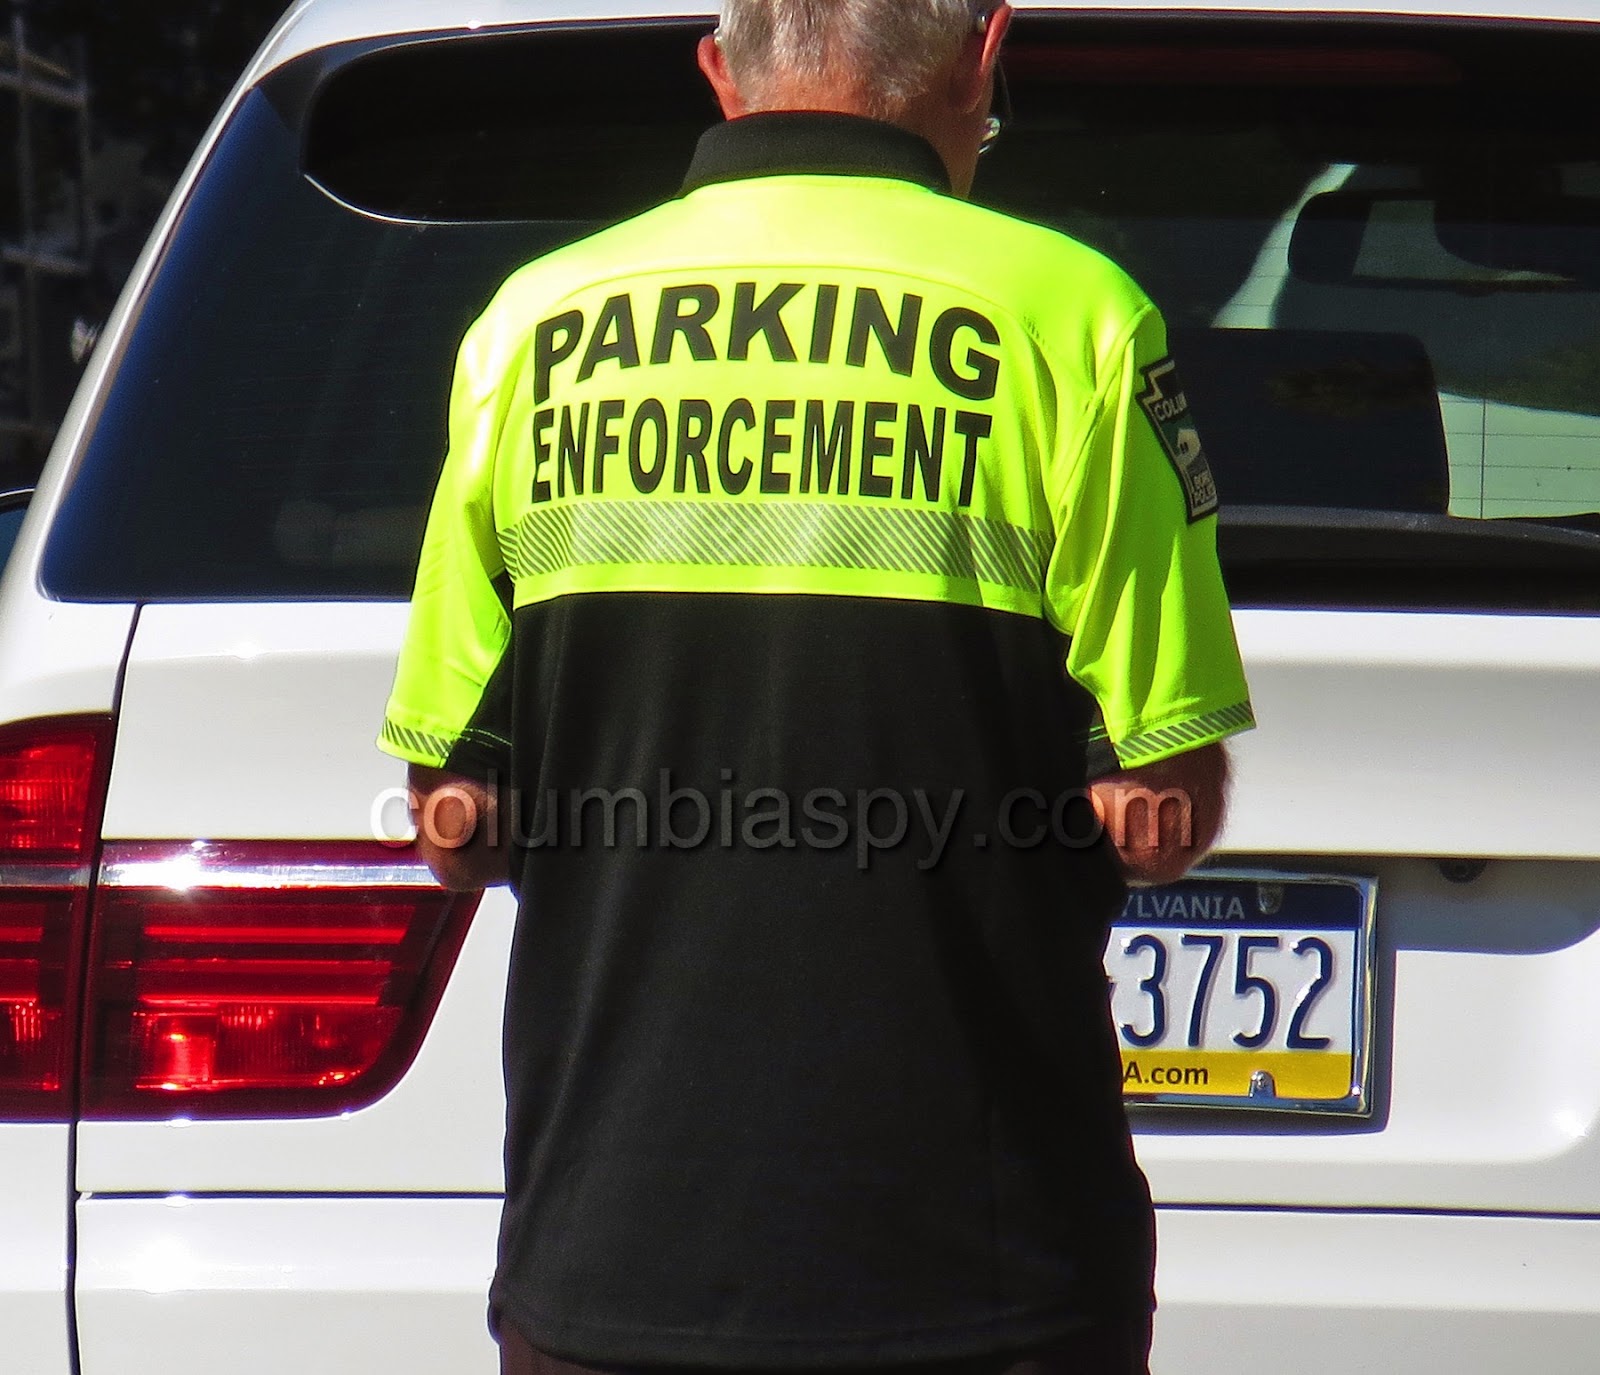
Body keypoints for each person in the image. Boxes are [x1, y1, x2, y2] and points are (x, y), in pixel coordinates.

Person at [378, 2, 1254, 1372]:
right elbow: (1161, 803)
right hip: (989, 1273)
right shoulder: (1072, 316)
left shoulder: (527, 329)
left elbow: (456, 817)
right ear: (983, 54)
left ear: (721, 74)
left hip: (612, 1261)